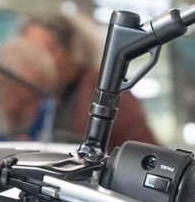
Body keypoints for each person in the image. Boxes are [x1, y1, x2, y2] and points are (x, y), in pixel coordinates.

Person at [22, 13, 156, 150]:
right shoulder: (46, 95)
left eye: (40, 53)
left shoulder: (107, 90)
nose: (33, 62)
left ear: (70, 51)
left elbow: (146, 152)